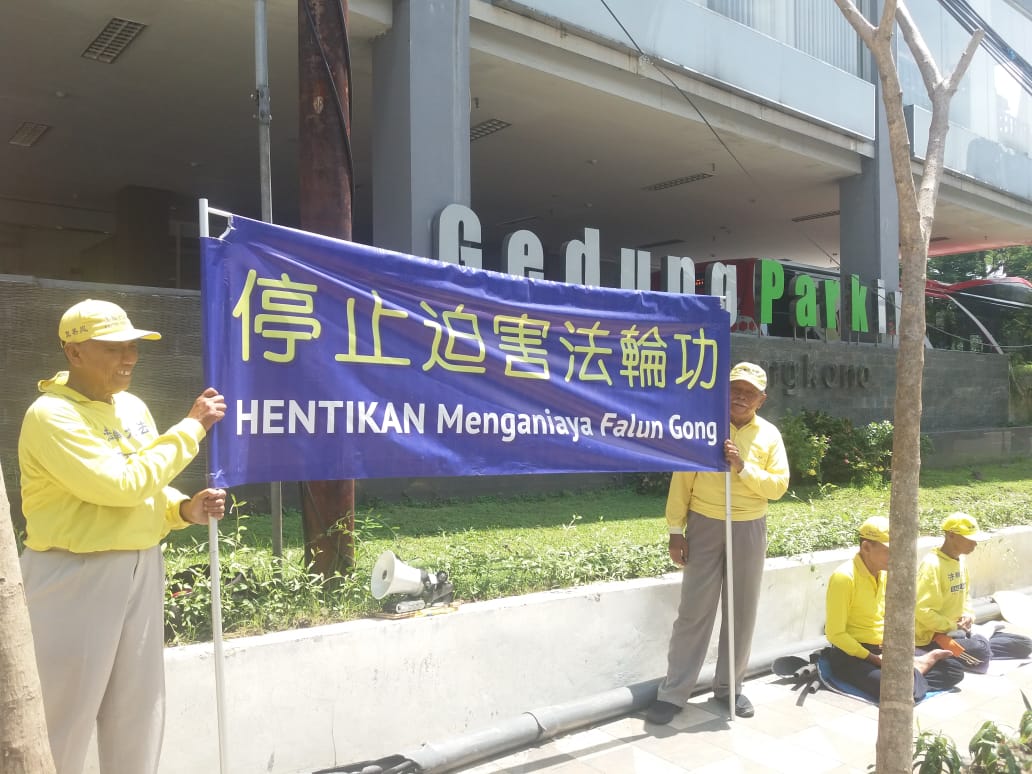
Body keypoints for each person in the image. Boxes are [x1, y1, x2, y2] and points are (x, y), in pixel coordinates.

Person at [18, 299, 228, 774]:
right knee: (62, 713)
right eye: (112, 348)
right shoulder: (51, 416)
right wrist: (193, 426)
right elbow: (117, 486)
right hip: (73, 574)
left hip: (141, 563)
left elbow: (142, 478)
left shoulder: (131, 406)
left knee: (139, 708)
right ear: (74, 353)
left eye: (132, 346)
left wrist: (180, 508)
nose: (127, 358)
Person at [646, 362, 789, 724]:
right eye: (735, 389)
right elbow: (682, 479)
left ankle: (729, 689)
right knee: (694, 610)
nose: (740, 397)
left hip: (748, 526)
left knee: (741, 612)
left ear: (761, 399)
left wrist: (742, 467)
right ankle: (674, 692)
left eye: (749, 392)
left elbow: (778, 487)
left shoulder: (769, 435)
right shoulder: (704, 426)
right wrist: (675, 531)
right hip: (705, 523)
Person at [823, 516, 964, 703]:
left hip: (884, 650)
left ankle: (914, 675)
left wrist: (896, 653)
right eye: (889, 551)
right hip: (854, 655)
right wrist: (874, 658)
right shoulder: (844, 577)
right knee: (896, 691)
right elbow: (835, 634)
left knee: (954, 669)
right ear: (866, 547)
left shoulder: (883, 573)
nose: (895, 556)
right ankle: (917, 672)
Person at [914, 512, 1032, 671]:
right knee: (980, 656)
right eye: (970, 539)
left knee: (1025, 645)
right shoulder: (932, 565)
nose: (974, 544)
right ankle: (980, 641)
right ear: (951, 535)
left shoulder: (960, 561)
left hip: (960, 631)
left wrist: (969, 615)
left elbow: (966, 596)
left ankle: (978, 642)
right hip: (934, 637)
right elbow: (922, 611)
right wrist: (952, 626)